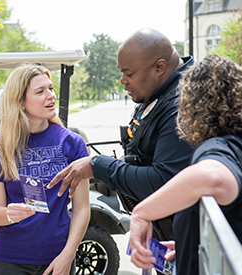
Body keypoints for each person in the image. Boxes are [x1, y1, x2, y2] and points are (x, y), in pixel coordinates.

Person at [129, 54, 242, 275]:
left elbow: (214, 178)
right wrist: (196, 245)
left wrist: (142, 213)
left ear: (192, 105)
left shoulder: (217, 147)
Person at [49, 28, 194, 242]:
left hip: (185, 243)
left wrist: (97, 165)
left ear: (160, 67)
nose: (122, 80)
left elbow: (163, 181)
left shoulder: (183, 106)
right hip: (164, 234)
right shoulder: (158, 93)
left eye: (129, 73)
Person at [0, 64, 90, 275]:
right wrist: (10, 214)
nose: (51, 96)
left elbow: (82, 208)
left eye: (50, 88)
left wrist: (68, 254)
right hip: (11, 260)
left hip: (59, 257)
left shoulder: (73, 143)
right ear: (20, 102)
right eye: (40, 92)